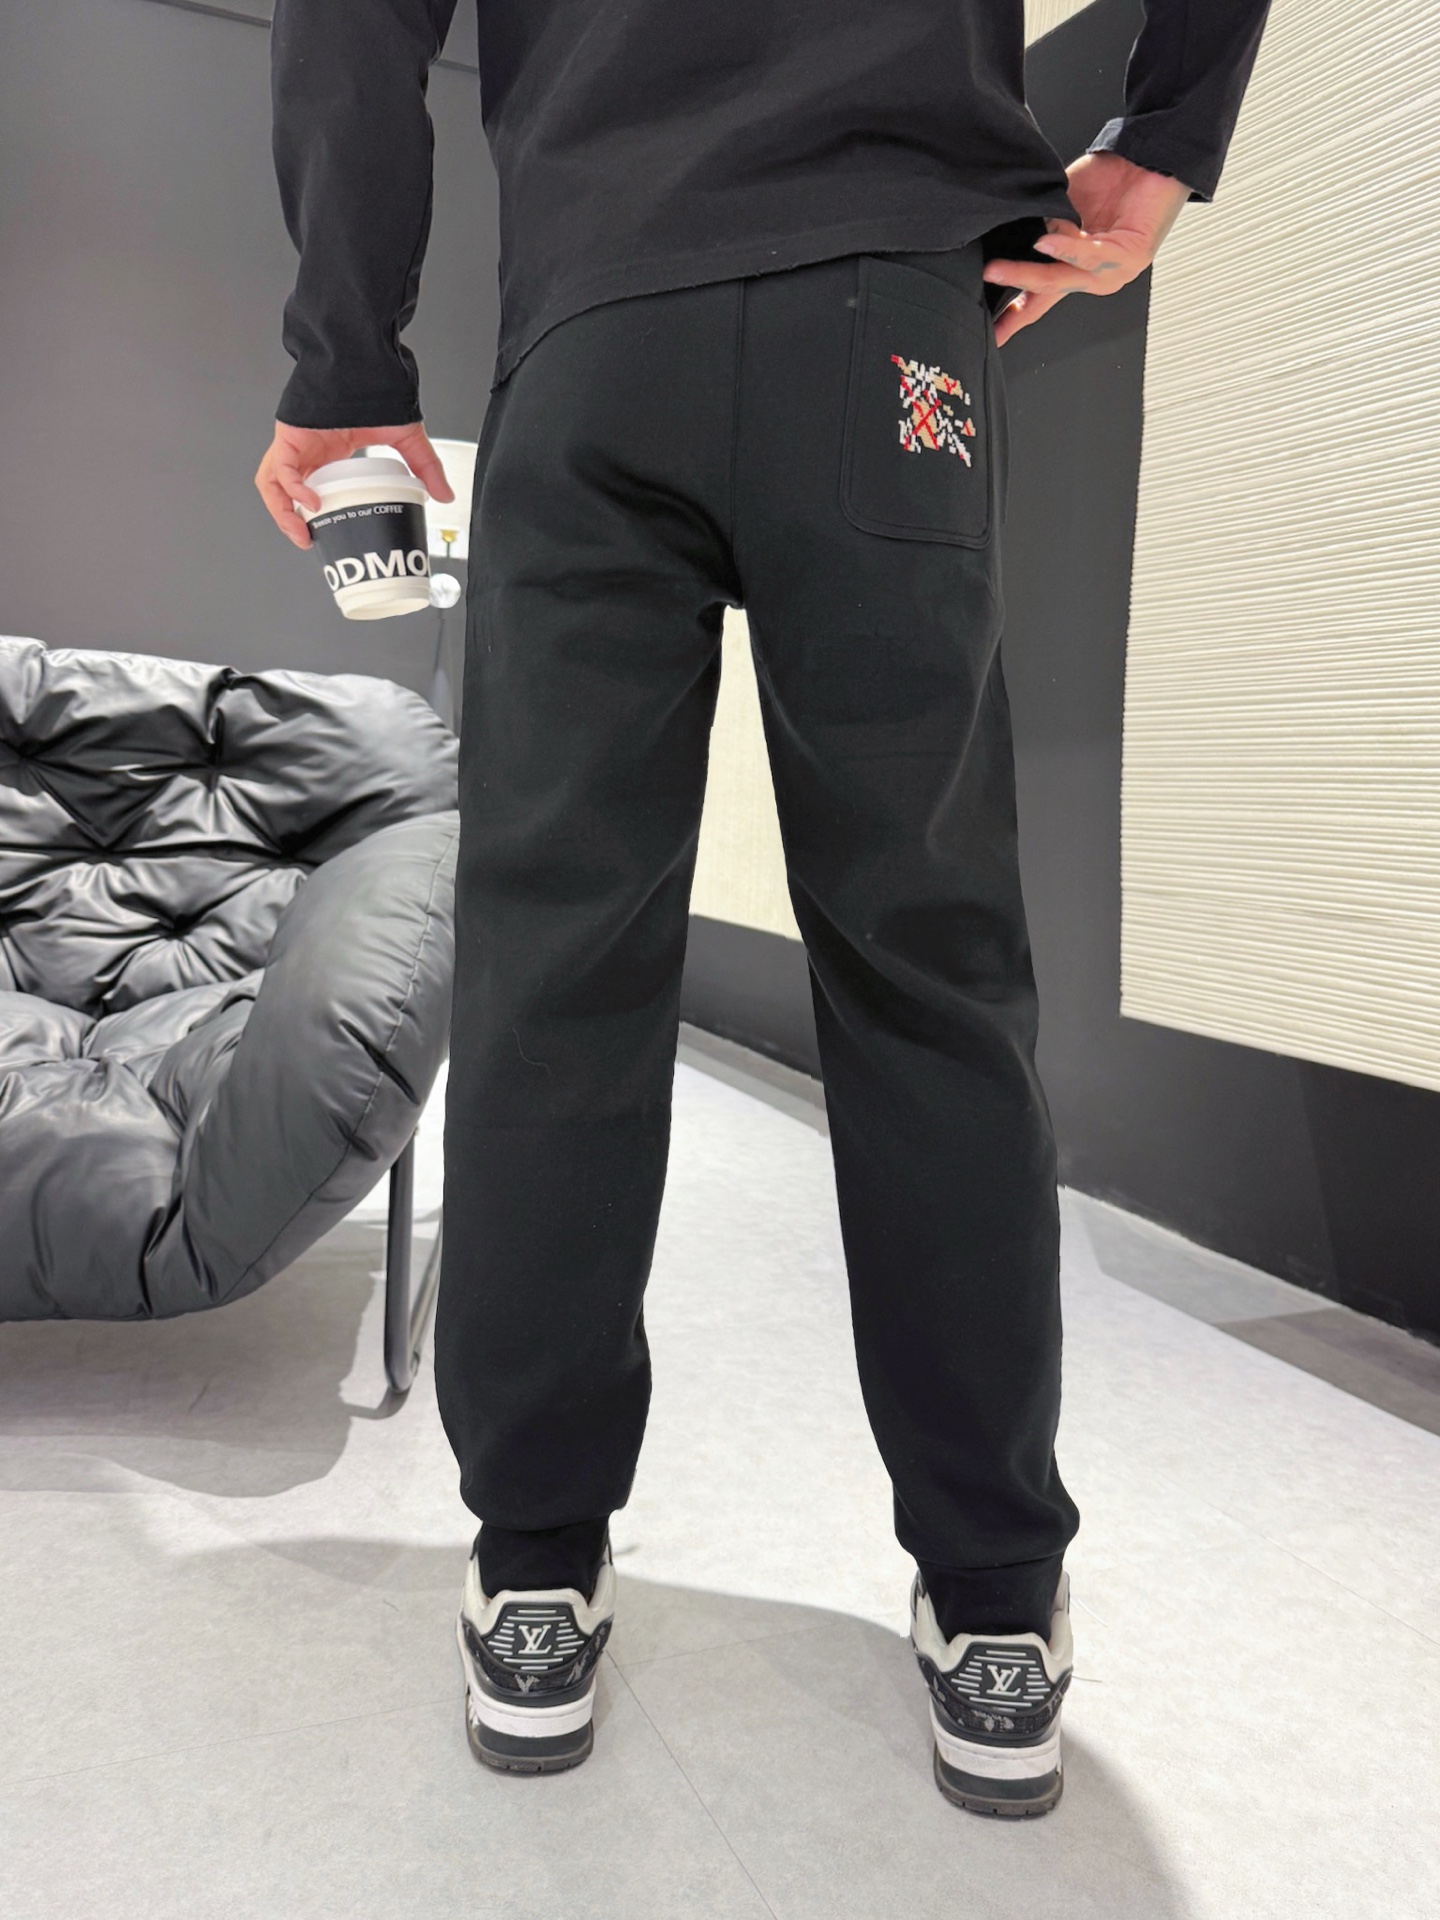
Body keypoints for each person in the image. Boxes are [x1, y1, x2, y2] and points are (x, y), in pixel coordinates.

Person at [255, 0, 1270, 1817]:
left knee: (557, 968)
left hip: (597, 328)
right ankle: (994, 1598)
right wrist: (1167, 137)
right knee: (929, 972)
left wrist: (346, 355)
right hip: (889, 316)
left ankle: (538, 1568)